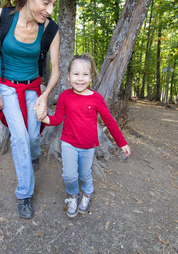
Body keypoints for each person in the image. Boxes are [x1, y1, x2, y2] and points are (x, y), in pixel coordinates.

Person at [0, 0, 60, 219]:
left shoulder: (50, 29)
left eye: (53, 4)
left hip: (32, 86)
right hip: (5, 86)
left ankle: (34, 155)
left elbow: (56, 71)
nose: (49, 10)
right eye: (45, 2)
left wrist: (44, 96)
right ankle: (25, 194)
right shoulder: (1, 17)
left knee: (33, 135)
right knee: (18, 136)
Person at [38, 54, 130, 218]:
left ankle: (87, 194)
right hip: (68, 143)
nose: (80, 79)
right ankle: (73, 195)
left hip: (88, 146)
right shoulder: (65, 96)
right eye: (76, 74)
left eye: (85, 74)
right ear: (68, 76)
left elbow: (109, 121)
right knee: (69, 175)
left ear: (91, 77)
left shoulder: (96, 99)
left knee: (85, 174)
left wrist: (122, 143)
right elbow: (58, 119)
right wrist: (44, 119)